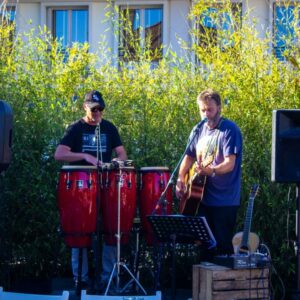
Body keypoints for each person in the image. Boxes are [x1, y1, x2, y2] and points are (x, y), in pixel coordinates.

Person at [54, 90, 127, 289]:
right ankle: (81, 280)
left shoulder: (109, 128)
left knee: (112, 228)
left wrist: (115, 162)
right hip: (81, 188)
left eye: (100, 110)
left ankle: (107, 278)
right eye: (94, 109)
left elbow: (121, 153)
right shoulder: (75, 129)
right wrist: (85, 157)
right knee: (80, 230)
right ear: (85, 107)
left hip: (107, 183)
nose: (97, 113)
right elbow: (59, 154)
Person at [176, 88, 242, 256]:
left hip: (225, 201)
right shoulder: (198, 130)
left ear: (219, 107)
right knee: (205, 249)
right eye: (202, 110)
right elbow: (189, 157)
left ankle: (223, 283)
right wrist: (181, 178)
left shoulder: (229, 130)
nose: (206, 114)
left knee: (222, 250)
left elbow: (229, 164)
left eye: (210, 109)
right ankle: (205, 283)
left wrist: (210, 170)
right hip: (201, 199)